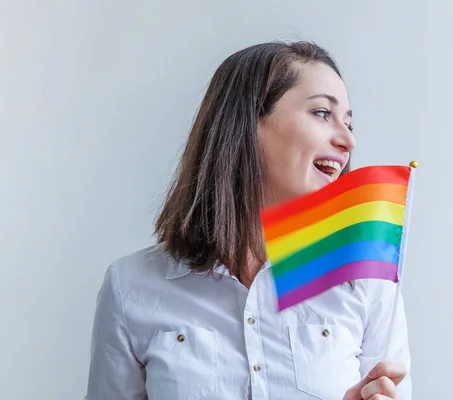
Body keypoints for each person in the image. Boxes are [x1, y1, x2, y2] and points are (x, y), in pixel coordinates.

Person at [85, 41, 412, 400]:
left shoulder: (367, 282)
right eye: (322, 113)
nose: (348, 140)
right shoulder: (130, 286)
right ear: (248, 122)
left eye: (349, 122)